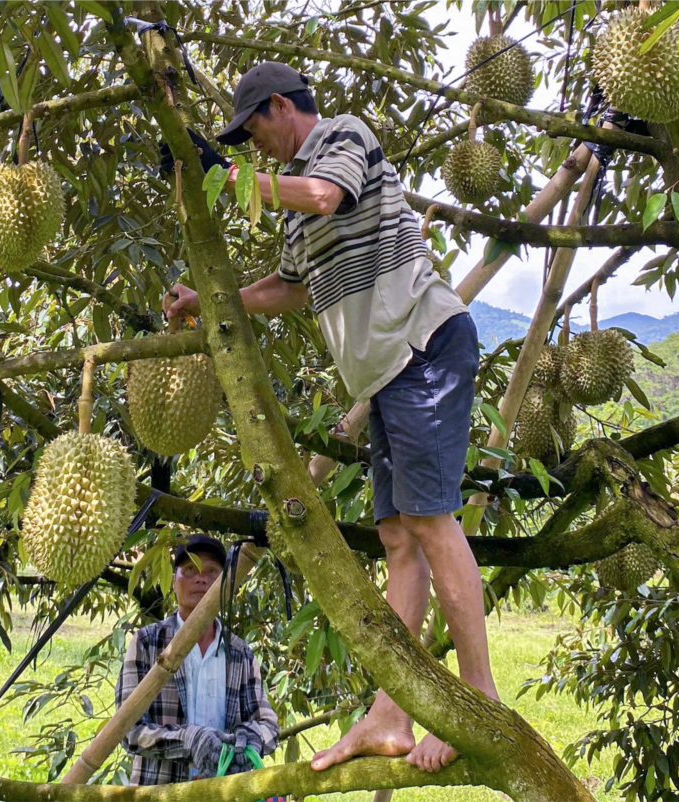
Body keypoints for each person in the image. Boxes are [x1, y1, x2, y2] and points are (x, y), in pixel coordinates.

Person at [162, 61, 498, 773]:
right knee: (398, 539)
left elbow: (324, 193)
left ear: (282, 107)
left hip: (423, 346)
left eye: (255, 132)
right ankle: (390, 711)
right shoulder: (289, 204)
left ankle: (480, 703)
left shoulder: (344, 139)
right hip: (384, 376)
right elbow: (287, 288)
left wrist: (226, 178)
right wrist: (208, 300)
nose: (257, 150)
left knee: (434, 526)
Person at [115, 534, 279, 785]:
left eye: (212, 572)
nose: (201, 579)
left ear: (226, 585)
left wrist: (250, 740)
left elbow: (266, 723)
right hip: (160, 791)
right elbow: (128, 731)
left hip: (223, 792)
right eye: (190, 570)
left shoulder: (239, 652)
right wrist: (189, 741)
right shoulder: (147, 644)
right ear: (173, 581)